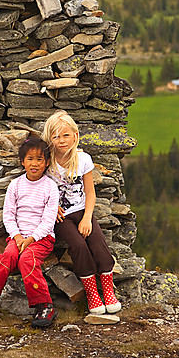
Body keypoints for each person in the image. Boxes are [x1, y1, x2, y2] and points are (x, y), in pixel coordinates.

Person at [0, 135, 59, 329]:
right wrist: (18, 237)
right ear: (22, 161)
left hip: (41, 238)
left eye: (39, 159)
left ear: (46, 163)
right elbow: (8, 216)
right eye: (30, 159)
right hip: (17, 237)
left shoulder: (50, 187)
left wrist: (31, 239)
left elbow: (48, 220)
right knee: (6, 258)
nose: (34, 164)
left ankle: (45, 305)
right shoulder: (16, 185)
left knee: (28, 260)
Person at [42, 110, 121, 315]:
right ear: (49, 138)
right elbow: (39, 188)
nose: (61, 140)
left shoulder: (83, 159)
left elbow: (90, 193)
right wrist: (51, 206)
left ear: (75, 135)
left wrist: (87, 218)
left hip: (81, 211)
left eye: (66, 135)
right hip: (61, 216)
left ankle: (108, 290)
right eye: (55, 136)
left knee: (98, 243)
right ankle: (93, 293)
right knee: (77, 245)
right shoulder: (47, 162)